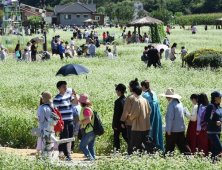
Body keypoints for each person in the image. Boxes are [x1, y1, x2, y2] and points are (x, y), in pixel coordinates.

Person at [160, 88, 191, 155]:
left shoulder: (171, 105)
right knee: (183, 144)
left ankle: (168, 158)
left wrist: (168, 129)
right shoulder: (179, 103)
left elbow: (170, 118)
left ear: (169, 97)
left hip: (173, 130)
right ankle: (188, 155)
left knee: (169, 147)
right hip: (181, 128)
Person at [53, 81, 74, 161]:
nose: (65, 88)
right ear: (59, 88)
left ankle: (64, 152)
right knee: (65, 137)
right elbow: (56, 110)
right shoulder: (57, 98)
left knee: (70, 137)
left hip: (70, 119)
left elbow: (73, 102)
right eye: (63, 87)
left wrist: (74, 94)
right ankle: (66, 155)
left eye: (66, 86)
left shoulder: (68, 95)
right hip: (63, 121)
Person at [141, 80, 164, 151]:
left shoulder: (144, 96)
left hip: (150, 115)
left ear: (143, 86)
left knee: (149, 131)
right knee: (156, 129)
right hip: (156, 115)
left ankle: (150, 148)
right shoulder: (154, 93)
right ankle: (158, 147)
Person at [129, 86, 151, 154]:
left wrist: (130, 117)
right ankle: (143, 154)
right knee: (143, 141)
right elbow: (149, 110)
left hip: (138, 126)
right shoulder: (145, 100)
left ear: (135, 93)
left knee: (134, 142)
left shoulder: (137, 101)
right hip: (145, 125)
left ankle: (131, 155)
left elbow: (135, 113)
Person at [120, 78, 139, 156]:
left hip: (130, 122)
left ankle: (130, 154)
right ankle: (138, 153)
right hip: (139, 122)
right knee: (137, 139)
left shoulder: (130, 98)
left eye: (129, 87)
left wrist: (122, 121)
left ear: (132, 88)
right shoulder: (141, 97)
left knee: (131, 138)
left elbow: (126, 110)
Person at [204, 91, 222, 160]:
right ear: (215, 98)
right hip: (211, 131)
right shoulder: (211, 106)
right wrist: (215, 122)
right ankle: (211, 161)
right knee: (219, 147)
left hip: (218, 130)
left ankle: (212, 164)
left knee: (214, 148)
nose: (221, 98)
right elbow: (206, 118)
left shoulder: (219, 106)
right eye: (220, 97)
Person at [78, 94, 96, 161]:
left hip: (89, 131)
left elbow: (88, 120)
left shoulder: (86, 109)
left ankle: (91, 159)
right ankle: (93, 160)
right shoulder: (89, 107)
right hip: (92, 131)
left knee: (82, 146)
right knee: (91, 147)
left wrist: (81, 122)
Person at [112, 84, 128, 152]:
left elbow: (116, 114)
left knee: (116, 138)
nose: (116, 92)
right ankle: (132, 149)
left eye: (116, 91)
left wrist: (115, 125)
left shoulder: (117, 101)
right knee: (126, 137)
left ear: (119, 91)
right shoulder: (126, 100)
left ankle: (117, 151)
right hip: (125, 122)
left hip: (118, 123)